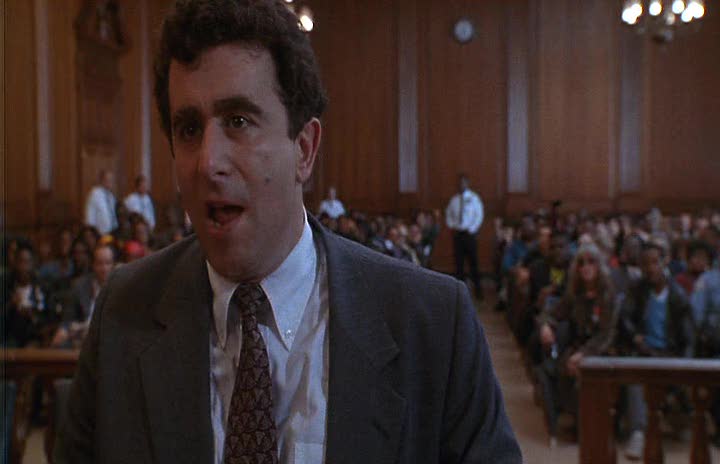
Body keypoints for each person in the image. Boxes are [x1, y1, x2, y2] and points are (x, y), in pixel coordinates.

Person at [55, 1, 521, 463]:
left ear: (304, 149)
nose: (208, 162)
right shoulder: (123, 311)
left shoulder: (433, 323)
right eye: (189, 128)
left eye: (238, 121)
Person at [617, 242, 694, 460]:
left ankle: (680, 419)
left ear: (664, 262)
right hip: (643, 353)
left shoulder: (677, 295)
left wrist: (685, 365)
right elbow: (625, 318)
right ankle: (638, 433)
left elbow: (688, 337)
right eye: (645, 264)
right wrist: (635, 336)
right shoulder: (637, 289)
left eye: (654, 262)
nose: (650, 268)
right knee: (635, 380)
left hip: (669, 355)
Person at [51, 245, 116, 348]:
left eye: (108, 263)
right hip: (82, 337)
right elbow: (68, 319)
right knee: (59, 343)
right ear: (93, 265)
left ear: (113, 265)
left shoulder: (119, 287)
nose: (104, 268)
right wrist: (63, 330)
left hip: (109, 338)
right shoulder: (80, 286)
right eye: (99, 263)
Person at [445, 174, 484, 299]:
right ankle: (460, 293)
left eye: (463, 182)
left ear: (467, 183)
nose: (461, 184)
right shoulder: (454, 200)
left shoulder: (474, 198)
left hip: (469, 235)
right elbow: (448, 214)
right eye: (459, 182)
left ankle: (478, 291)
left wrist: (472, 229)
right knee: (459, 265)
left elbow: (479, 215)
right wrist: (452, 226)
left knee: (473, 263)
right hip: (458, 235)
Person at [84, 170, 118, 235]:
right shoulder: (95, 194)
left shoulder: (111, 196)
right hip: (99, 233)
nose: (110, 182)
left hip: (112, 232)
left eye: (111, 180)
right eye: (108, 180)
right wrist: (92, 232)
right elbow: (89, 216)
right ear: (101, 180)